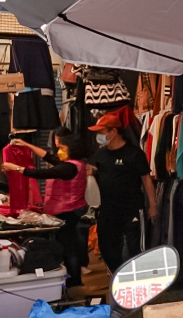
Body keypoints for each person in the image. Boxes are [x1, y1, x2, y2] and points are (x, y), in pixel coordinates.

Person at [2, 129, 90, 285]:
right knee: (70, 246)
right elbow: (47, 156)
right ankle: (71, 279)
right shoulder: (74, 164)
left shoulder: (68, 168)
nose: (59, 151)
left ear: (71, 149)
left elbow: (40, 173)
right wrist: (27, 145)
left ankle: (74, 281)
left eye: (62, 148)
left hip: (67, 212)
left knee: (69, 248)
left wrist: (15, 167)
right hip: (68, 210)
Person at [89, 113, 158, 273]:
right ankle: (117, 274)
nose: (98, 136)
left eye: (101, 132)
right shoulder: (100, 155)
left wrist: (152, 204)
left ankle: (137, 277)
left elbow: (146, 179)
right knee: (107, 247)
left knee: (135, 248)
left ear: (113, 132)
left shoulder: (134, 153)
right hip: (107, 210)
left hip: (131, 208)